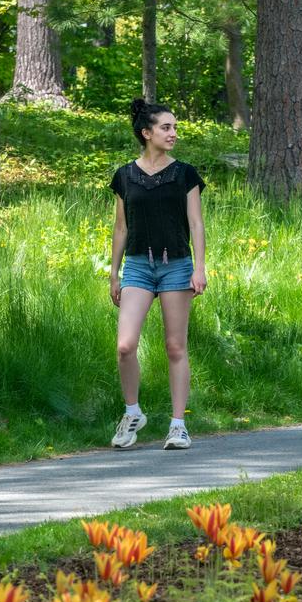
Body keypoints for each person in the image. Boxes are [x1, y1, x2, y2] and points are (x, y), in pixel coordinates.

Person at [108, 99, 207, 450]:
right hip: (136, 266)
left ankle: (178, 425)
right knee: (124, 345)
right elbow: (121, 228)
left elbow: (196, 223)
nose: (173, 133)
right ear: (146, 133)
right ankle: (132, 412)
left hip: (177, 266)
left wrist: (199, 267)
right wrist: (114, 273)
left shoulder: (185, 174)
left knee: (175, 346)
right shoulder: (124, 176)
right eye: (166, 127)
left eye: (175, 127)